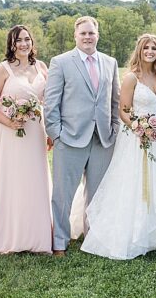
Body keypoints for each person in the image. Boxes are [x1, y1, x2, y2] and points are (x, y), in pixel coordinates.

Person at [81, 34, 156, 259]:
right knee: (135, 183)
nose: (150, 51)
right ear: (139, 51)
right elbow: (123, 110)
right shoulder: (132, 78)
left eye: (154, 48)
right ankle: (136, 234)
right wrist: (138, 126)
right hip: (136, 138)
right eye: (146, 48)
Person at [0, 26, 52, 256]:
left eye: (27, 39)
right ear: (11, 44)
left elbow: (47, 101)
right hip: (10, 134)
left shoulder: (42, 67)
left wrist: (50, 131)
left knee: (35, 180)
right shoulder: (2, 69)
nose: (24, 44)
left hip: (35, 132)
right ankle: (9, 235)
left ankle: (37, 236)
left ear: (32, 42)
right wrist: (9, 121)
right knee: (13, 180)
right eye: (19, 40)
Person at [45, 16, 120, 257]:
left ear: (98, 35)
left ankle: (94, 239)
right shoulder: (61, 62)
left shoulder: (110, 62)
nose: (88, 37)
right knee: (63, 193)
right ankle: (60, 242)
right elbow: (51, 103)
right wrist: (56, 133)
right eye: (83, 33)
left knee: (98, 193)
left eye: (91, 33)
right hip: (70, 137)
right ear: (75, 36)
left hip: (102, 139)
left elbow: (115, 101)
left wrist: (114, 129)